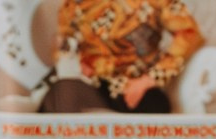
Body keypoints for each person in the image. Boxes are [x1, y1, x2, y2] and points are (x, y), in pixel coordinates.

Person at [41, 0, 202, 114]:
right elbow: (64, 40)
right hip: (96, 88)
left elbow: (189, 35)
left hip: (140, 91)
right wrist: (79, 61)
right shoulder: (75, 4)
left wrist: (148, 80)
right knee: (62, 92)